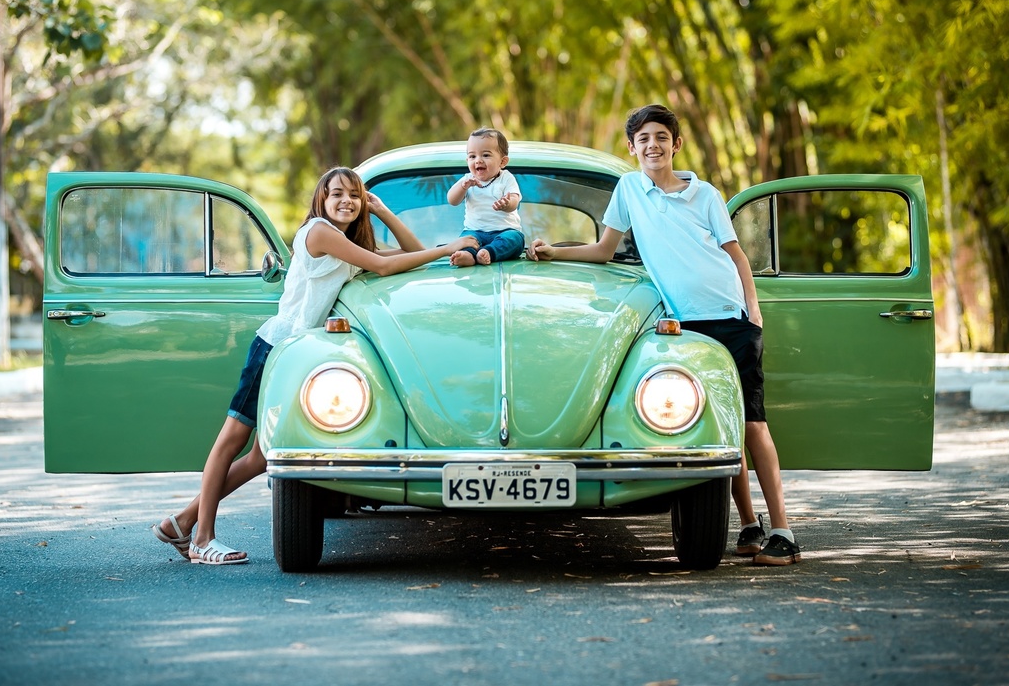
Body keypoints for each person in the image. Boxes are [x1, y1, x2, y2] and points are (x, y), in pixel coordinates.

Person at [152, 167, 478, 565]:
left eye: (354, 196)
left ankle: (181, 522)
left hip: (298, 353)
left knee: (258, 457)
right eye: (337, 193)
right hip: (275, 345)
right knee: (231, 440)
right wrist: (449, 248)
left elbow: (412, 253)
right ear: (321, 200)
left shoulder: (347, 244)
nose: (347, 201)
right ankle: (202, 538)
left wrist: (383, 212)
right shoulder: (320, 232)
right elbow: (387, 266)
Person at [526, 104, 800, 566]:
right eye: (643, 139)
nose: (652, 145)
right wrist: (554, 252)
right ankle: (748, 526)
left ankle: (783, 531)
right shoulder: (629, 189)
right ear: (631, 148)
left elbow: (734, 255)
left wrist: (753, 312)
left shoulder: (705, 194)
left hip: (728, 316)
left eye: (660, 137)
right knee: (719, 427)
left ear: (676, 144)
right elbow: (603, 249)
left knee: (753, 423)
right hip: (681, 324)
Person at [446, 127, 524, 266]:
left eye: (486, 155)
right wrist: (463, 187)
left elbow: (515, 199)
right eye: (472, 156)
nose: (478, 160)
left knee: (515, 239)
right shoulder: (468, 179)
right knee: (465, 240)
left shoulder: (506, 178)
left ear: (502, 162)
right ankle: (468, 255)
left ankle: (488, 252)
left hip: (504, 231)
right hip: (475, 231)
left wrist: (507, 204)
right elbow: (451, 200)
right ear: (467, 160)